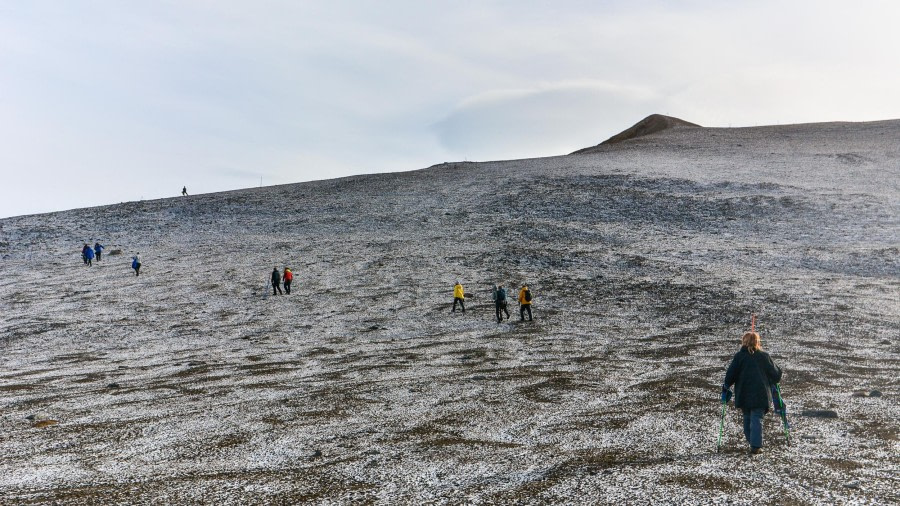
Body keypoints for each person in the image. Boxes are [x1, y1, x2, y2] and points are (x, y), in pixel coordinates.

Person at [722, 331, 783, 455]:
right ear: (757, 342)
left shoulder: (739, 357)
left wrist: (726, 386)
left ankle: (753, 443)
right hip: (761, 393)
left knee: (747, 418)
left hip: (743, 393)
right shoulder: (764, 356)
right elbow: (776, 375)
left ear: (744, 342)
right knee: (756, 418)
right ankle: (755, 446)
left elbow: (730, 375)